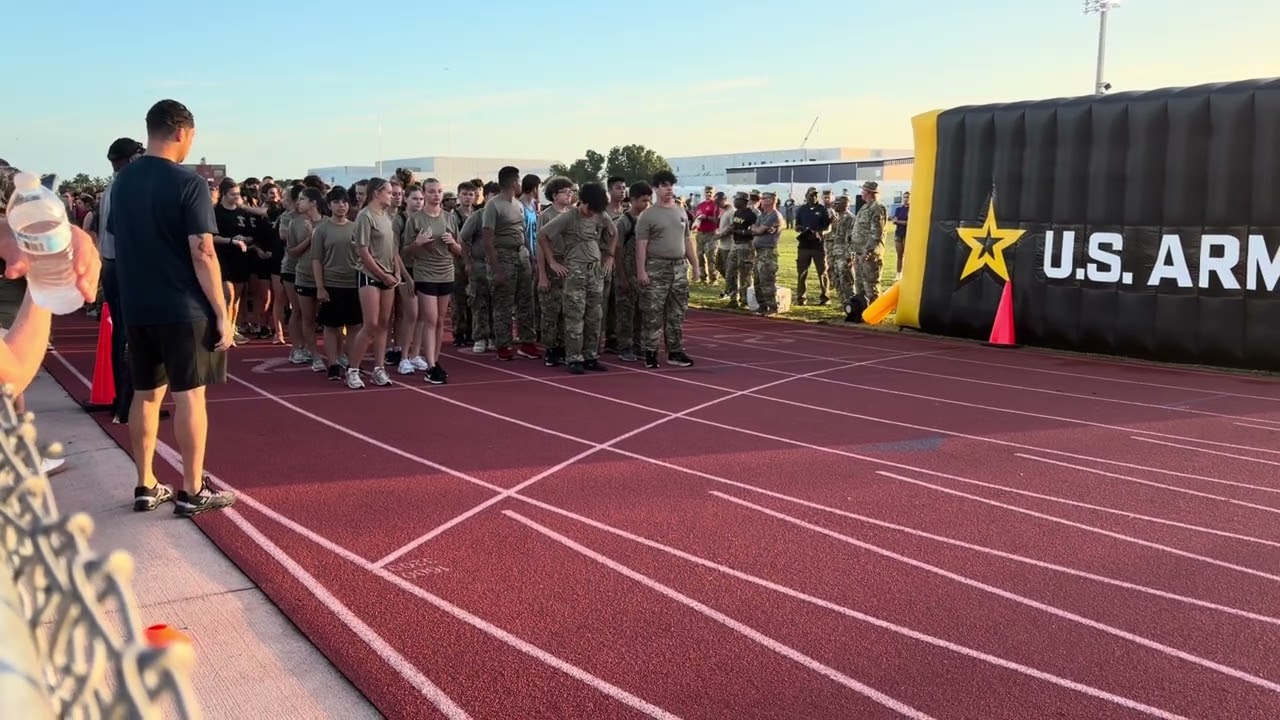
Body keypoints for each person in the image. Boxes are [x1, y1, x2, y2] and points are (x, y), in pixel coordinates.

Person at [107, 98, 236, 516]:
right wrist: (221, 311)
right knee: (189, 398)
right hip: (183, 307)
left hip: (138, 305)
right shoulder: (188, 182)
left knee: (145, 396)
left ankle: (145, 483)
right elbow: (203, 251)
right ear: (182, 132)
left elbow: (117, 240)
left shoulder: (121, 183)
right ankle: (192, 488)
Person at [0, 201, 101, 477]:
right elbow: (12, 372)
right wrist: (47, 272)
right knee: (12, 392)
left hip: (12, 322)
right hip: (12, 324)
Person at [635, 170, 701, 369]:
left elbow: (687, 240)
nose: (669, 189)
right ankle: (650, 351)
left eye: (671, 185)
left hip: (679, 268)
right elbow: (641, 245)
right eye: (664, 185)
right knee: (653, 312)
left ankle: (675, 351)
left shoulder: (680, 211)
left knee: (677, 312)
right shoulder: (648, 215)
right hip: (657, 267)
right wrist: (641, 271)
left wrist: (695, 265)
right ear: (655, 188)